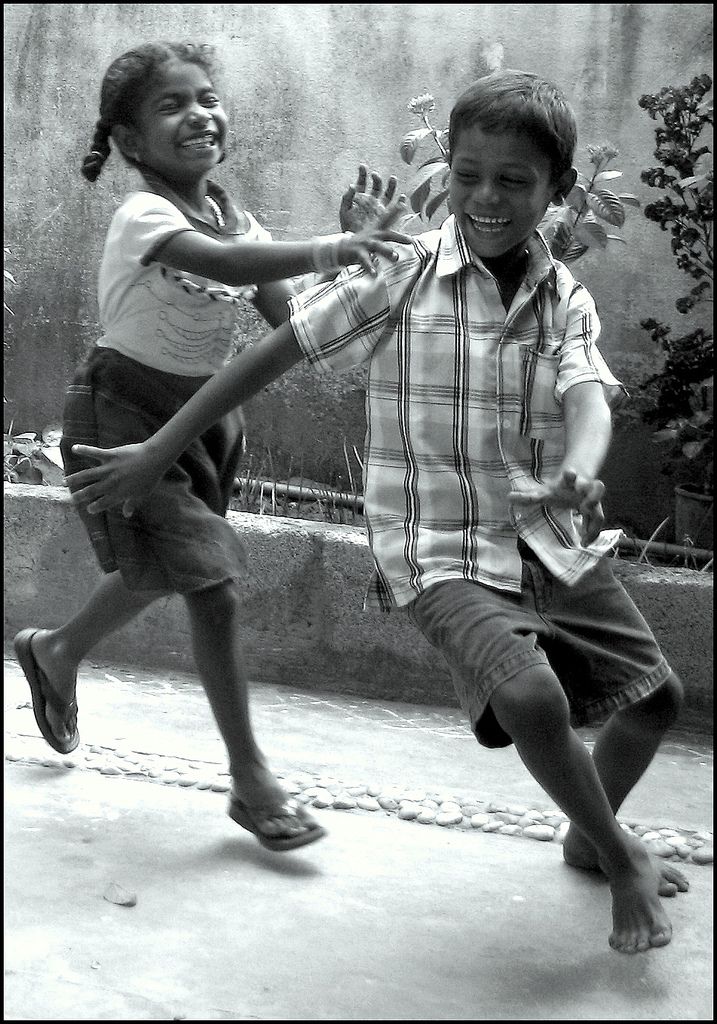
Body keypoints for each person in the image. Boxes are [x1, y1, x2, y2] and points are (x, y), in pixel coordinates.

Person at [64, 69, 689, 951]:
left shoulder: (563, 296)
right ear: (448, 170)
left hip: (547, 538)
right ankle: (620, 858)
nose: (484, 196)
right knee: (531, 696)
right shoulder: (404, 275)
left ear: (559, 193)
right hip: (434, 548)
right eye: (467, 173)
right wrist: (161, 447)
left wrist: (583, 470)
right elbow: (274, 352)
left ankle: (590, 836)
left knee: (654, 700)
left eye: (513, 180)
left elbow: (587, 392)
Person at [12, 40, 409, 854]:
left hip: (200, 420)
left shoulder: (242, 222)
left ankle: (54, 652)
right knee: (214, 583)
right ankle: (251, 782)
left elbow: (299, 331)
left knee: (161, 570)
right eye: (171, 105)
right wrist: (329, 248)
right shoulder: (145, 216)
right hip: (122, 412)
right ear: (129, 142)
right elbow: (221, 263)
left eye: (207, 96)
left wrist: (355, 264)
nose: (199, 113)